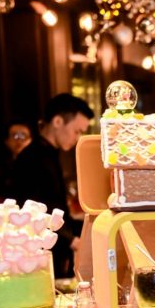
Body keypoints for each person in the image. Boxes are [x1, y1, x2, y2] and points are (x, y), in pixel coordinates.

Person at [10, 93, 93, 278]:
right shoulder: (33, 158)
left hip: (53, 244)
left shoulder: (49, 154)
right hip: (37, 253)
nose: (78, 138)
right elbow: (33, 210)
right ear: (57, 121)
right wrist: (71, 240)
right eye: (77, 131)